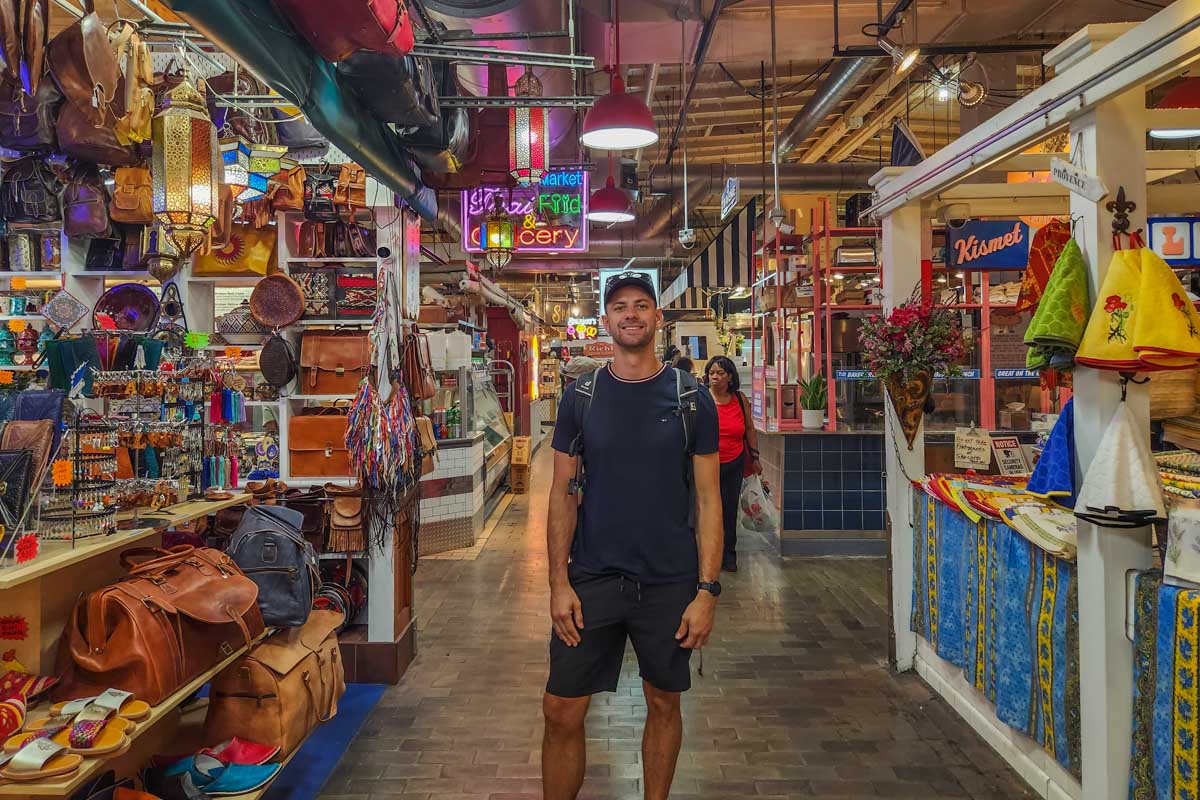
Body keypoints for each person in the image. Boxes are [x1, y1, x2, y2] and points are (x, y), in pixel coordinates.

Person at [543, 271, 723, 800]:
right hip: (593, 576)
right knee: (560, 708)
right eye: (620, 306)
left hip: (668, 581)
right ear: (606, 320)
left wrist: (707, 591)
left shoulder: (692, 399)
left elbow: (710, 500)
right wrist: (558, 582)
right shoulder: (581, 397)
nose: (631, 314)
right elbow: (561, 494)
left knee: (664, 702)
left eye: (641, 305)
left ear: (657, 318)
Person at [704, 355, 761, 573]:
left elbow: (749, 429)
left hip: (734, 461)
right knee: (707, 509)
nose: (715, 377)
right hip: (706, 463)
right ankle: (708, 555)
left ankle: (729, 555)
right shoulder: (702, 399)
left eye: (720, 373)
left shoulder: (739, 399)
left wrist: (755, 457)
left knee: (729, 510)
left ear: (730, 376)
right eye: (712, 373)